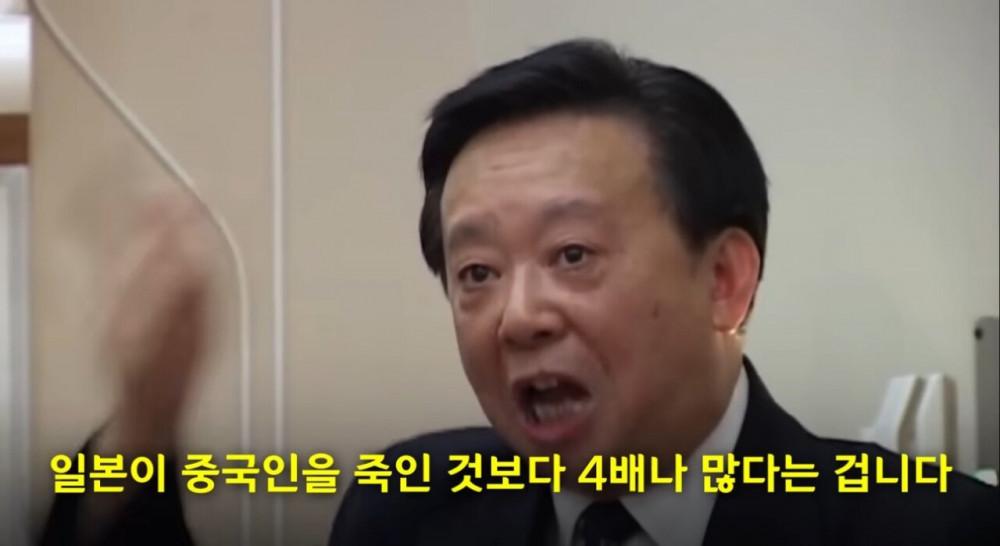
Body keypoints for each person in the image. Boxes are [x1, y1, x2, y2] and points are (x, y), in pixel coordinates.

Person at [40, 38, 998, 546]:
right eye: (477, 273)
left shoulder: (931, 525)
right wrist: (145, 426)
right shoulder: (409, 505)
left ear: (724, 280)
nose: (518, 315)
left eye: (573, 254)